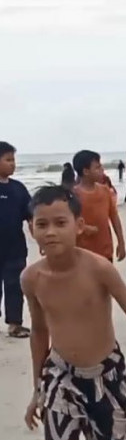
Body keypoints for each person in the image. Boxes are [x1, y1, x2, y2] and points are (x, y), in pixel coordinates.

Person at [21, 185, 126, 440]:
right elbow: (40, 331)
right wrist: (38, 389)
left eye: (60, 222)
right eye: (42, 224)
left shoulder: (99, 269)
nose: (51, 232)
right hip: (61, 375)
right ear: (31, 230)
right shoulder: (32, 279)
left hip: (105, 378)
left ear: (79, 226)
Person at [0, 141, 31, 339]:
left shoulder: (18, 189)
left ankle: (15, 324)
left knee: (15, 287)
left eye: (14, 159)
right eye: (8, 159)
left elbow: (32, 217)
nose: (13, 164)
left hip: (15, 249)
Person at [72, 150, 126, 263]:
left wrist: (121, 242)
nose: (102, 170)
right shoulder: (74, 195)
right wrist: (85, 228)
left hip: (105, 250)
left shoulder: (105, 191)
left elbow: (114, 217)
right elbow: (68, 222)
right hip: (82, 253)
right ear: (86, 171)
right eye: (97, 167)